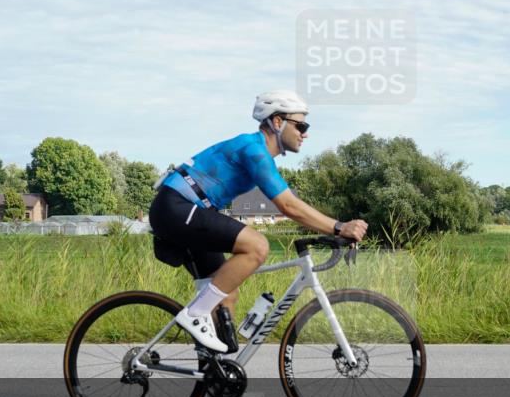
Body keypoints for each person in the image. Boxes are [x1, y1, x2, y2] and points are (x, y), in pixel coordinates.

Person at [149, 89, 368, 352]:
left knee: (226, 294)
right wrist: (339, 226)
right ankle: (195, 314)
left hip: (190, 211)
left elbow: (291, 205)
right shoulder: (253, 150)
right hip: (175, 207)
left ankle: (220, 378)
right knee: (257, 246)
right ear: (277, 122)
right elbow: (288, 205)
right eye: (301, 125)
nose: (305, 133)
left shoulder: (258, 153)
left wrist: (333, 229)